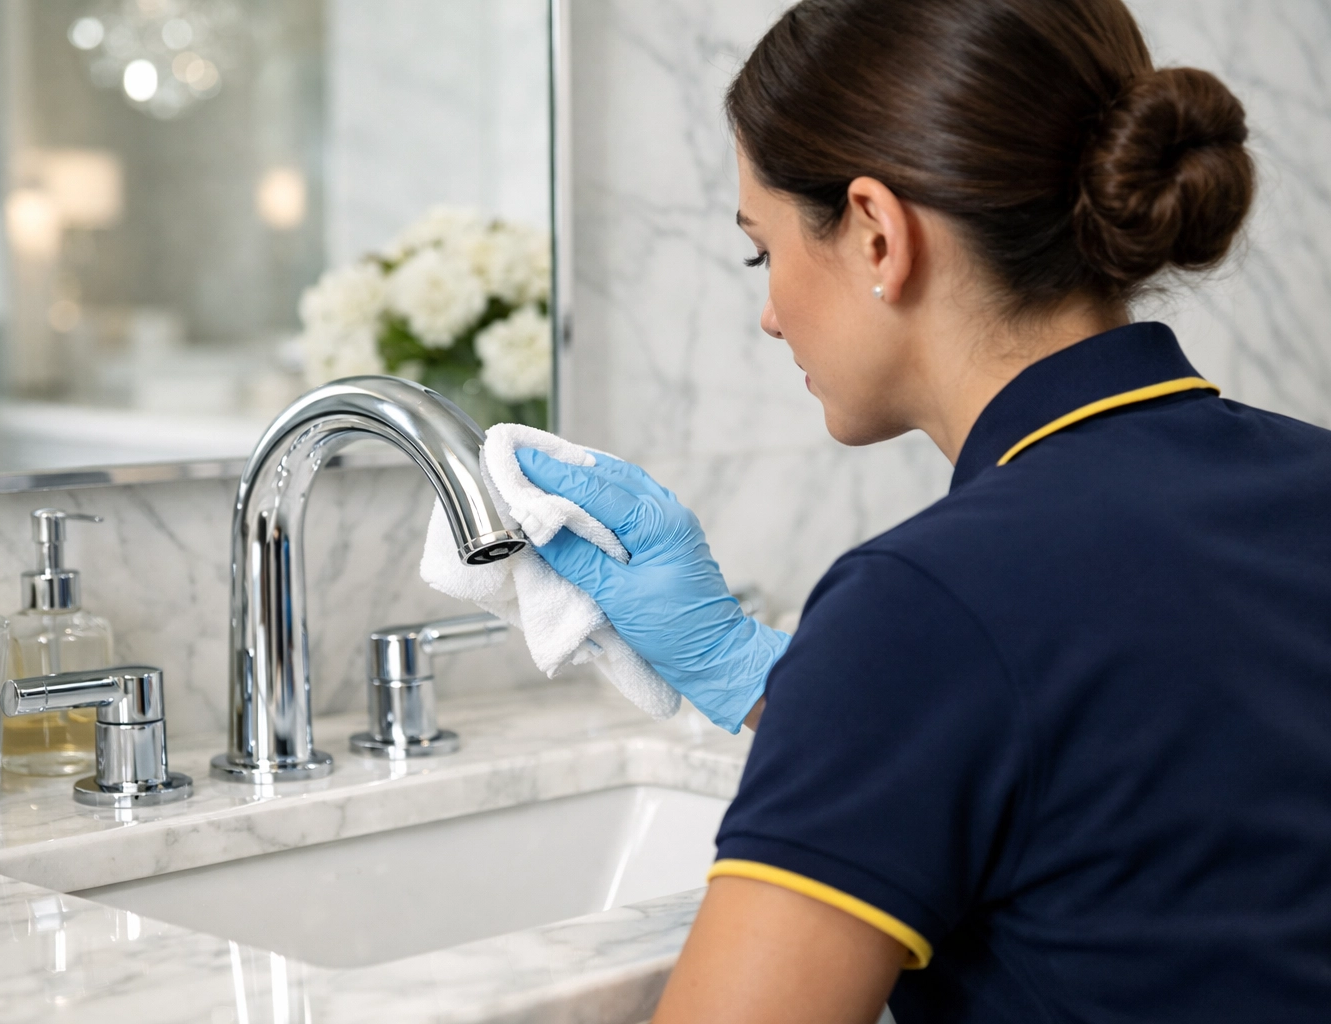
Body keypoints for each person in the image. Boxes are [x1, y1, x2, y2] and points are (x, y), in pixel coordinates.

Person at [515, 0, 1331, 1021]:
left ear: (875, 233)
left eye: (759, 252)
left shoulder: (924, 603)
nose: (768, 313)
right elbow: (1141, 767)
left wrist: (859, 665)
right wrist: (784, 681)